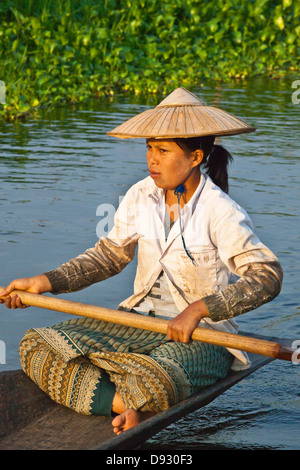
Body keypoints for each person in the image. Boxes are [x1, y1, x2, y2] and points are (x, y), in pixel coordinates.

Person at [0, 88, 283, 435]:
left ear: (195, 157)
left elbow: (266, 277)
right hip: (136, 319)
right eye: (149, 148)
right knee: (36, 345)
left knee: (158, 374)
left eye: (163, 151)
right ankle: (126, 404)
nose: (152, 159)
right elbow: (109, 255)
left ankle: (120, 390)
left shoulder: (220, 211)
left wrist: (197, 310)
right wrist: (45, 281)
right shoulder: (140, 195)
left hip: (200, 335)